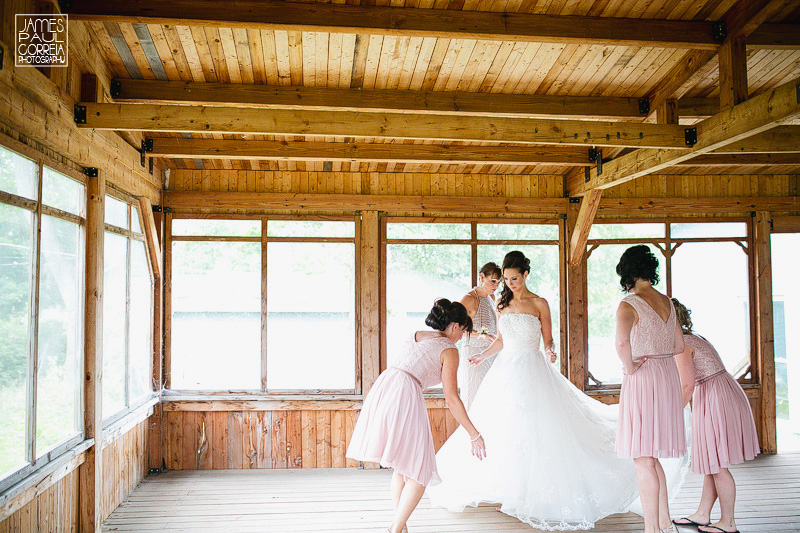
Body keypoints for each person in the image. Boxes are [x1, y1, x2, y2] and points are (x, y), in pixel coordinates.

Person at [427, 251, 643, 530]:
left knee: (539, 428)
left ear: (526, 275)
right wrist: (482, 356)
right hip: (506, 370)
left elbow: (549, 341)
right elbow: (503, 340)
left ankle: (533, 490)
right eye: (505, 279)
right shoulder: (501, 304)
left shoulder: (540, 303)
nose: (509, 283)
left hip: (533, 368)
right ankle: (508, 489)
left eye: (514, 278)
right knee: (507, 428)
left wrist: (551, 352)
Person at [346, 299, 486, 533]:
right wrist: (474, 433)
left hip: (385, 388)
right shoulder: (449, 350)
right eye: (463, 331)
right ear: (455, 326)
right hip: (405, 394)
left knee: (402, 467)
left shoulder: (416, 334)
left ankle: (400, 525)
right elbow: (451, 398)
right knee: (420, 470)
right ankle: (396, 527)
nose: (461, 338)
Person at [671, 298, 759, 533]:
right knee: (713, 460)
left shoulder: (682, 344)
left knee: (718, 464)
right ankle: (702, 514)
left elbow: (686, 386)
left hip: (715, 396)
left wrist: (670, 417)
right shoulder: (694, 337)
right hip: (717, 391)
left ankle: (728, 523)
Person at [615, 245, 686, 533]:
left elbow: (621, 344)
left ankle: (652, 530)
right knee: (650, 455)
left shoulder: (628, 304)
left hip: (643, 378)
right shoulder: (668, 302)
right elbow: (680, 346)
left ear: (628, 273)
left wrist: (630, 367)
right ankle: (664, 521)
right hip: (667, 375)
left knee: (642, 458)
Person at [458, 262, 502, 409]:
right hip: (473, 352)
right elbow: (458, 329)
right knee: (473, 394)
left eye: (499, 283)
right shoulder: (469, 298)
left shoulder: (493, 298)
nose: (495, 286)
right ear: (482, 277)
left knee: (491, 397)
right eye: (493, 281)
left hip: (491, 353)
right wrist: (484, 335)